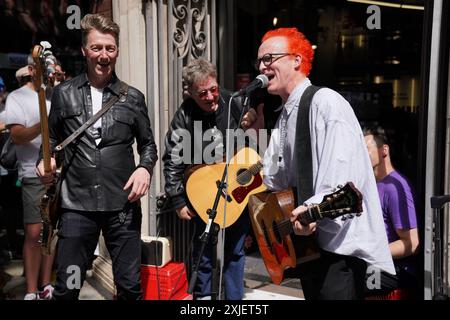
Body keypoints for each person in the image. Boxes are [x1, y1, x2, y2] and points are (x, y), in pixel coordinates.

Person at [257, 27, 395, 300]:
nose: (262, 67)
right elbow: (274, 178)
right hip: (311, 249)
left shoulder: (326, 103)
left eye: (269, 58)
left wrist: (311, 210)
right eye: (260, 61)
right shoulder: (286, 113)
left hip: (339, 253)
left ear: (296, 60)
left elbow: (341, 178)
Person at [36, 13, 158, 300]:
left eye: (110, 48)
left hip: (123, 207)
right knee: (69, 288)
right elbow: (51, 145)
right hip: (77, 207)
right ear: (84, 50)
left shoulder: (133, 97)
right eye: (97, 48)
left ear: (117, 51)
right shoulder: (64, 94)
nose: (104, 55)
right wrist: (45, 164)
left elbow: (148, 145)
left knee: (129, 288)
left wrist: (144, 169)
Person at [162, 57, 261, 300]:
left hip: (235, 190)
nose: (210, 97)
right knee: (203, 247)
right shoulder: (184, 115)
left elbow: (252, 122)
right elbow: (173, 158)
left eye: (213, 90)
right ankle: (203, 297)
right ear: (190, 93)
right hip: (205, 191)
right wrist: (177, 199)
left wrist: (251, 117)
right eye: (202, 93)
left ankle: (234, 300)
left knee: (236, 250)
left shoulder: (232, 100)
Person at [4, 58, 55, 300]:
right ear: (32, 69)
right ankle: (31, 291)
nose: (48, 72)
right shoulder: (17, 97)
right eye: (43, 68)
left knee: (51, 232)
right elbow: (17, 136)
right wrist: (43, 125)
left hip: (58, 173)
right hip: (31, 174)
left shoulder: (56, 95)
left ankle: (46, 285)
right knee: (34, 233)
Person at [363, 125, 419, 297]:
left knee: (349, 278)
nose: (362, 155)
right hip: (377, 263)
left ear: (384, 150)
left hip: (397, 269)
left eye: (366, 149)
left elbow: (412, 244)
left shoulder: (395, 187)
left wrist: (369, 252)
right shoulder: (373, 185)